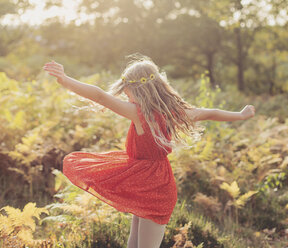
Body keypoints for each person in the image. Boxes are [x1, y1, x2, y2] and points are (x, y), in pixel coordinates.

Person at [43, 56, 255, 248]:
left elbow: (100, 96)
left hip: (156, 189)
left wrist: (65, 80)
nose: (125, 95)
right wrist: (240, 115)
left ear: (138, 90)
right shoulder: (174, 113)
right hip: (147, 183)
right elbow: (210, 113)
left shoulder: (139, 113)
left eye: (127, 90)